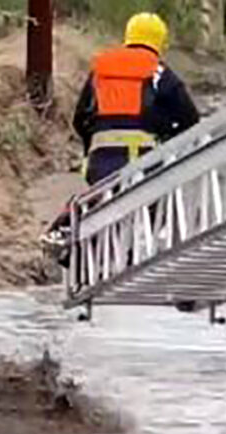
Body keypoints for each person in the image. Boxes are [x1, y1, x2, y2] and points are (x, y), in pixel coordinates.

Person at [43, 12, 200, 263]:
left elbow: (80, 118)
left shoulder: (100, 69)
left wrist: (91, 147)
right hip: (143, 162)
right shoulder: (159, 72)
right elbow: (190, 118)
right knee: (150, 205)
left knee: (100, 199)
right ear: (160, 42)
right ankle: (124, 254)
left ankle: (68, 229)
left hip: (100, 159)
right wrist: (169, 141)